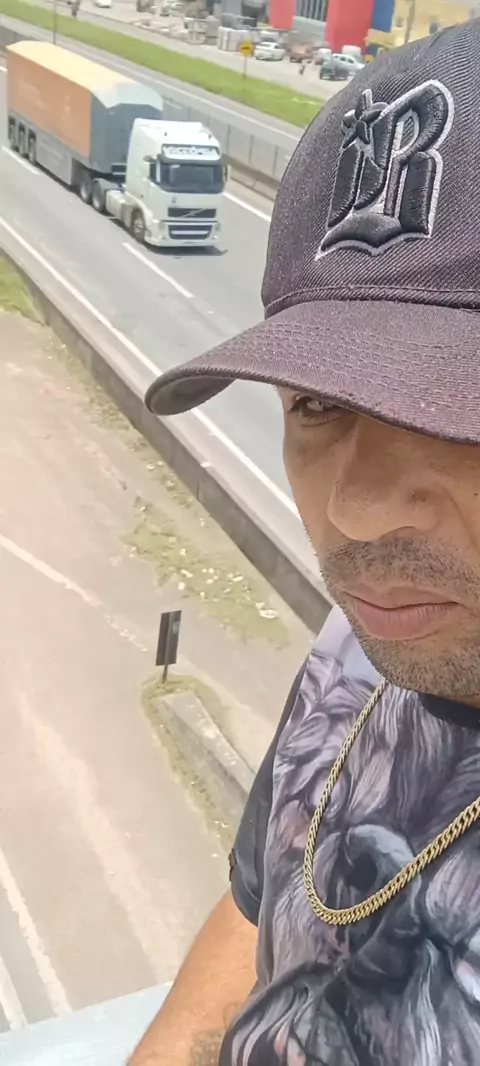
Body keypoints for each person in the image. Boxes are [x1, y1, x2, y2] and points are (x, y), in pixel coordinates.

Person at [130, 19, 480, 1066]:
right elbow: (263, 909)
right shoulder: (366, 644)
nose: (356, 512)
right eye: (318, 402)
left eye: (459, 404)